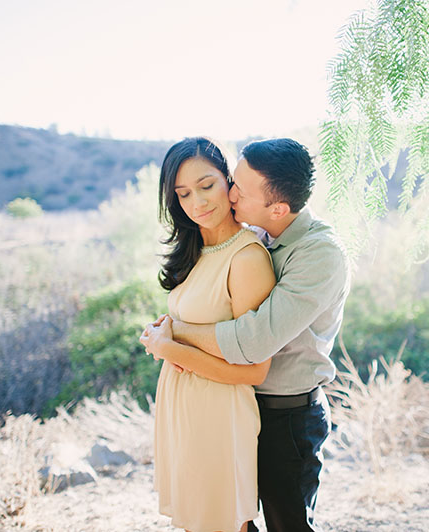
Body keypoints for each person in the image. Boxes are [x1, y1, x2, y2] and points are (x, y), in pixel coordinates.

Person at [141, 138, 351, 532]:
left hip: (288, 413)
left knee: (288, 525)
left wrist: (175, 337)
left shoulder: (317, 254)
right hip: (242, 405)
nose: (228, 194)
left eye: (234, 187)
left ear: (278, 208)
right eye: (232, 180)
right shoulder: (264, 236)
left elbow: (253, 342)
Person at [142, 137, 276, 532]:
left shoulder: (247, 258)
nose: (197, 203)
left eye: (207, 186)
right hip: (185, 413)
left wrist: (170, 347)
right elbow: (200, 324)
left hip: (220, 416)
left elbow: (254, 371)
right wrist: (164, 333)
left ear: (228, 181)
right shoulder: (197, 250)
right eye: (183, 194)